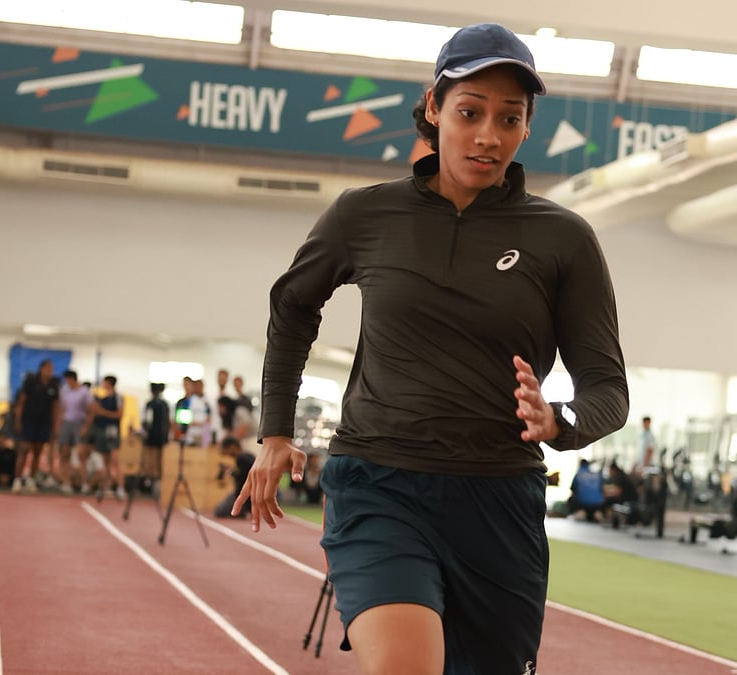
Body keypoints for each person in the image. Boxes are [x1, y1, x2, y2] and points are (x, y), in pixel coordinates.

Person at [232, 23, 629, 675]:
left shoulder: (564, 239)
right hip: (380, 483)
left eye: (510, 118)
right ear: (434, 108)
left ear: (527, 127)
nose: (488, 135)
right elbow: (293, 304)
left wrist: (560, 420)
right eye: (470, 112)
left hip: (500, 499)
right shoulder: (364, 216)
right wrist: (275, 429)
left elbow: (609, 389)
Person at [13, 359, 60, 493]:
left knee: (38, 450)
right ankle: (17, 479)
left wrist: (55, 425)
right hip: (29, 420)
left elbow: (55, 407)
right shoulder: (31, 381)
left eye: (52, 369)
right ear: (41, 368)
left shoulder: (53, 385)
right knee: (24, 449)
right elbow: (22, 401)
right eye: (48, 368)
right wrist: (18, 419)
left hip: (44, 422)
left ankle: (31, 479)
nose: (50, 371)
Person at [79, 375, 125, 499]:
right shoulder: (102, 399)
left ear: (109, 383)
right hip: (101, 431)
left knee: (115, 459)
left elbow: (119, 414)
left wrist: (102, 412)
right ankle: (105, 486)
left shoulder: (117, 398)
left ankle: (120, 487)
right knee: (105, 460)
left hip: (112, 431)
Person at [55, 370, 91, 493]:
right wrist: (58, 425)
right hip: (66, 423)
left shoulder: (84, 392)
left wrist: (86, 426)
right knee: (65, 454)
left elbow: (91, 410)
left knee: (81, 455)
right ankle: (66, 482)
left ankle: (85, 483)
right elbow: (62, 408)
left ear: (73, 379)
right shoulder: (64, 390)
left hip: (79, 423)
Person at [213, 437, 255, 519]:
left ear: (233, 447)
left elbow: (242, 478)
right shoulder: (248, 455)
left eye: (226, 449)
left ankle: (241, 510)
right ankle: (243, 509)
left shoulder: (241, 458)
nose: (227, 453)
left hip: (244, 495)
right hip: (250, 494)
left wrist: (230, 472)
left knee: (219, 511)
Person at [568, 458, 605, 523]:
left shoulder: (579, 474)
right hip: (598, 503)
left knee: (571, 498)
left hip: (582, 503)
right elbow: (602, 489)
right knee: (596, 511)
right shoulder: (596, 475)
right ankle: (597, 514)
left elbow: (573, 489)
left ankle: (581, 512)